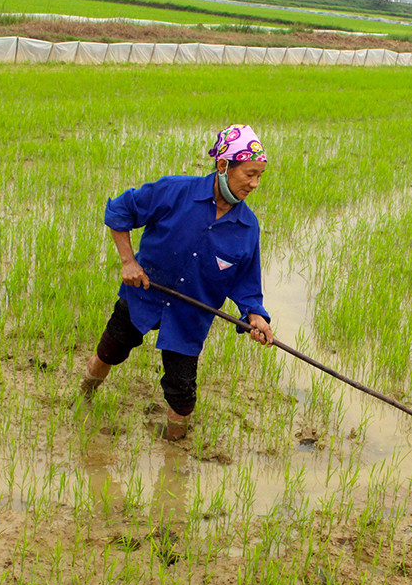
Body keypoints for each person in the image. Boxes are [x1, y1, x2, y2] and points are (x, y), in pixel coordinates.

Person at [80, 124, 274, 440]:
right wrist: (129, 262)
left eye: (259, 177)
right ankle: (83, 395)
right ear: (224, 165)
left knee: (181, 391)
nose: (254, 184)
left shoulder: (246, 227)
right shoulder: (174, 191)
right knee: (110, 351)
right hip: (145, 293)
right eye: (249, 174)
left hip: (190, 315)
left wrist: (255, 317)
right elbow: (120, 211)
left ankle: (175, 448)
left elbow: (246, 283)